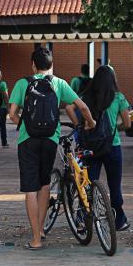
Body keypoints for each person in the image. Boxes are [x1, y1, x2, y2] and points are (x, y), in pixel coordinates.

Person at [8, 47, 96, 250]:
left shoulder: (23, 83)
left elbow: (12, 113)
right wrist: (90, 122)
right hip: (50, 139)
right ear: (51, 65)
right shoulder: (59, 83)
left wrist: (22, 124)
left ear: (33, 65)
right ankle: (40, 230)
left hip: (27, 140)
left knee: (30, 188)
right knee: (44, 184)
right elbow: (82, 107)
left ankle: (36, 239)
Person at [68, 65, 132, 231]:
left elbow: (69, 107)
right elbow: (127, 123)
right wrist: (114, 128)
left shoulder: (86, 96)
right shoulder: (118, 97)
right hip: (112, 147)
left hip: (90, 146)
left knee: (88, 185)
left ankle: (82, 219)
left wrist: (78, 127)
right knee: (114, 186)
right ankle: (119, 220)